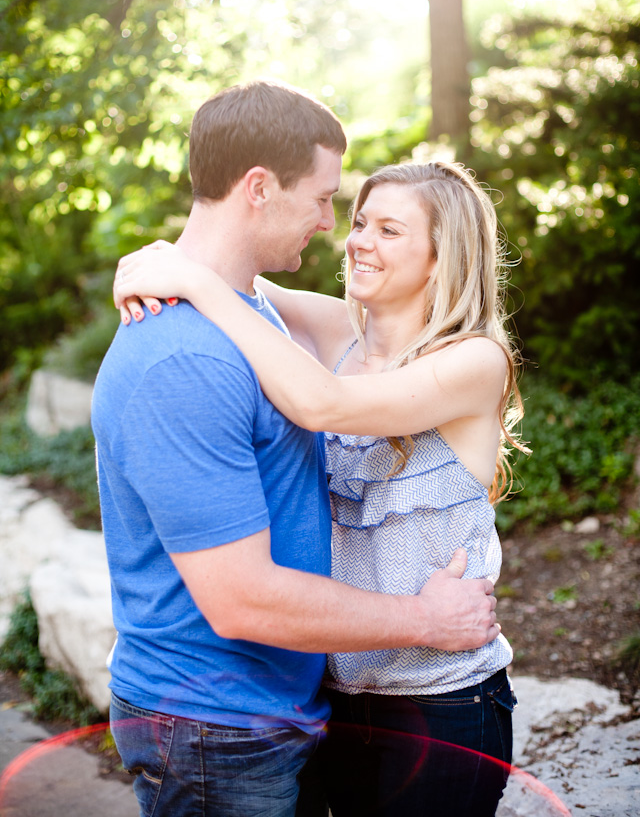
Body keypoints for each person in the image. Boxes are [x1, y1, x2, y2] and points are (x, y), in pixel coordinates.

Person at [93, 81, 500, 817]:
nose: (338, 229)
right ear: (259, 187)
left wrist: (192, 276)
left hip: (420, 701)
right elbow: (226, 280)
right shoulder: (287, 338)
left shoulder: (464, 360)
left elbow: (318, 398)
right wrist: (166, 264)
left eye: (386, 229)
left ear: (446, 258)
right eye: (335, 205)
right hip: (261, 713)